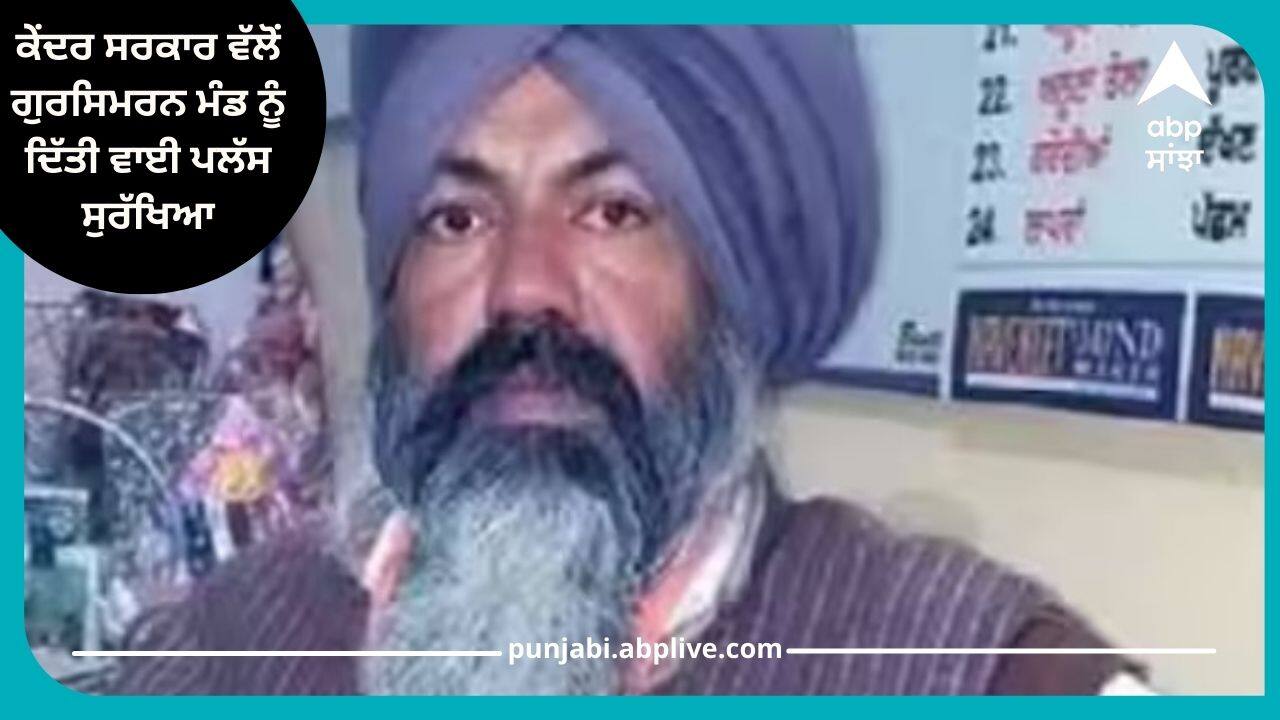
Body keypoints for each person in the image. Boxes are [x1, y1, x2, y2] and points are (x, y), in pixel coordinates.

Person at [113, 25, 1142, 695]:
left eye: (612, 211)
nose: (523, 288)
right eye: (458, 217)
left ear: (732, 281)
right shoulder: (231, 643)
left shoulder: (971, 670)